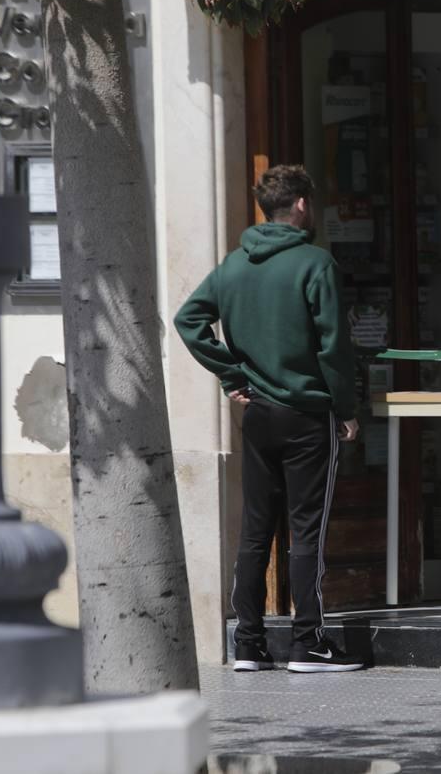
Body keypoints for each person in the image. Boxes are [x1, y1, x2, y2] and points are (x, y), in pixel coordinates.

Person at [174, 164, 364, 673]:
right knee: (308, 531)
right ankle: (310, 642)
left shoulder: (233, 265)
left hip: (258, 414)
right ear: (301, 203)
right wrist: (345, 408)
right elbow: (333, 345)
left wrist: (231, 374)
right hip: (306, 413)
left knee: (256, 530)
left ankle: (249, 643)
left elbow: (188, 319)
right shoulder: (315, 263)